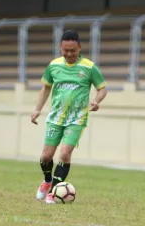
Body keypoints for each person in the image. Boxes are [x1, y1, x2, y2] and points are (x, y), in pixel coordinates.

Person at [31, 30, 108, 204]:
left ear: (79, 47)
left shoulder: (89, 67)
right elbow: (45, 89)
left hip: (77, 119)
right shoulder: (53, 66)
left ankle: (52, 193)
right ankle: (47, 180)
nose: (69, 54)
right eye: (66, 50)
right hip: (55, 118)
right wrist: (37, 109)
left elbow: (102, 89)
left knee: (65, 155)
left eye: (73, 50)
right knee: (45, 157)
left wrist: (96, 101)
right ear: (60, 48)